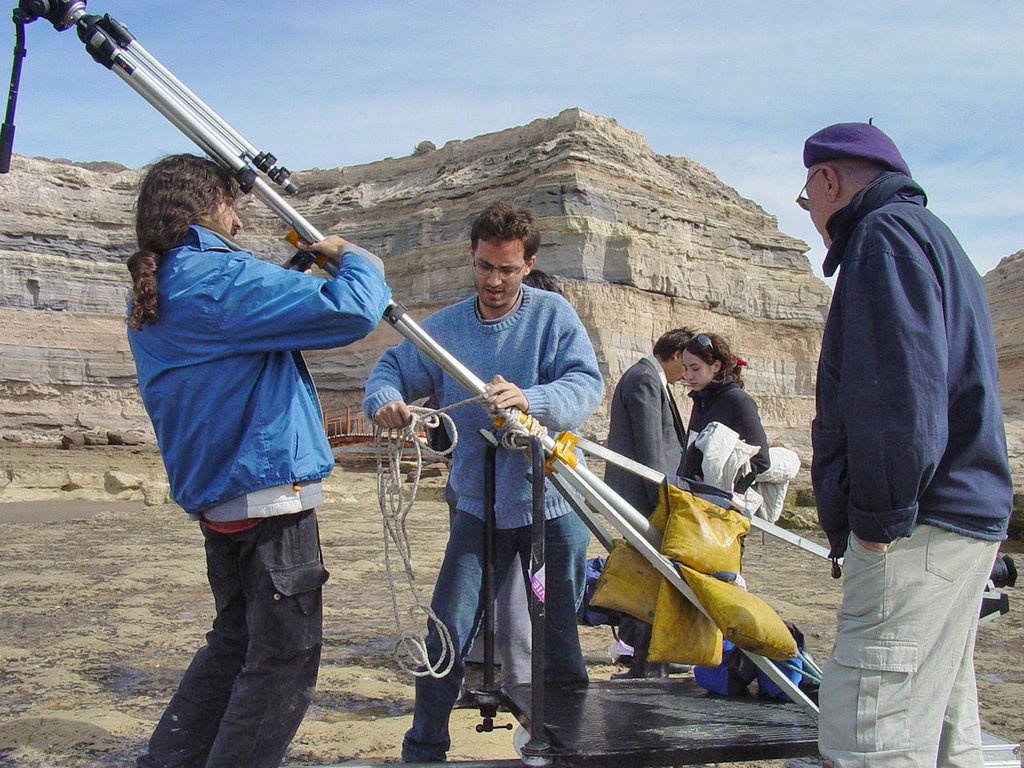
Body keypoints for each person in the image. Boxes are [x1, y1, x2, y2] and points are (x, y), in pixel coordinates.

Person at [126, 154, 391, 768]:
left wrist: (294, 269)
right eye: (233, 205)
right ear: (204, 207)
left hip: (222, 495)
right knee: (283, 659)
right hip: (268, 495)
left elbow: (244, 328)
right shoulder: (216, 280)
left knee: (236, 641)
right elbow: (351, 309)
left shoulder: (168, 283)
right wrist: (355, 256)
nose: (241, 223)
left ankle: (169, 760)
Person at [798, 122, 1012, 767]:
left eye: (807, 199)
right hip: (961, 521)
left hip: (916, 528)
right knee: (946, 726)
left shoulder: (882, 240)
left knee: (873, 729)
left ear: (829, 180)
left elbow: (896, 394)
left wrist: (880, 520)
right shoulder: (935, 238)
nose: (810, 214)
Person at [363, 201, 601, 763]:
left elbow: (585, 386)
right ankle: (424, 749)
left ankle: (562, 748)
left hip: (554, 509)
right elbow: (393, 368)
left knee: (559, 636)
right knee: (446, 633)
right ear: (471, 258)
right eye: (484, 267)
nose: (494, 281)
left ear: (529, 263)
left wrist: (532, 399)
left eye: (508, 269)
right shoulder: (444, 329)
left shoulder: (553, 316)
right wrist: (385, 400)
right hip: (479, 508)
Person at [603, 327, 694, 678]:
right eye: (683, 366)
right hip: (643, 498)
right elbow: (650, 449)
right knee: (648, 577)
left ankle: (647, 658)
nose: (685, 374)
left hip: (643, 496)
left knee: (650, 576)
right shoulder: (644, 379)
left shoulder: (651, 379)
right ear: (673, 356)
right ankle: (645, 662)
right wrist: (664, 499)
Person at [679, 332, 770, 492]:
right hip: (692, 497)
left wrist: (723, 485)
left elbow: (761, 460)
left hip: (719, 505)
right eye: (685, 368)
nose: (688, 376)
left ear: (716, 366)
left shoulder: (739, 402)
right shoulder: (701, 399)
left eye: (695, 368)